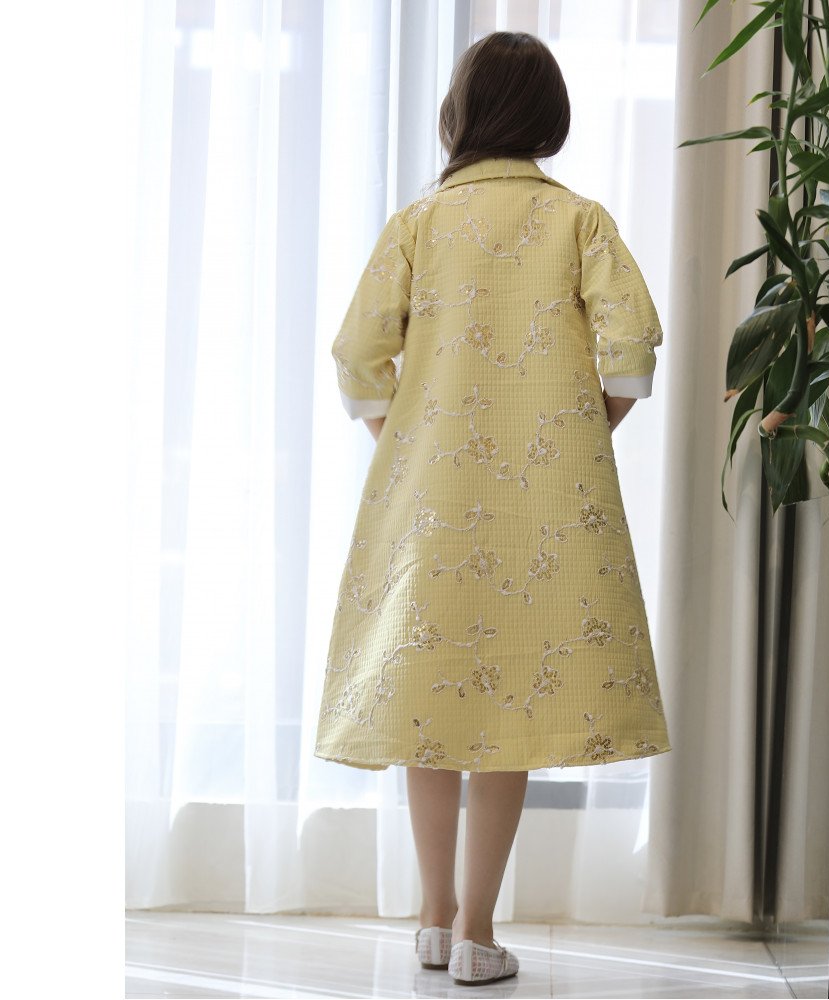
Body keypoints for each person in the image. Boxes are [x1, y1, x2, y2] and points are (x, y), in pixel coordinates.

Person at [313, 29, 671, 987]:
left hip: (429, 501)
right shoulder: (579, 222)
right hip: (546, 505)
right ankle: (477, 930)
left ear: (458, 115)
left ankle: (432, 921)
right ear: (550, 118)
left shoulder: (418, 224)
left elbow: (356, 354)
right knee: (510, 709)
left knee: (429, 703)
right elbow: (632, 347)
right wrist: (583, 430)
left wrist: (400, 439)